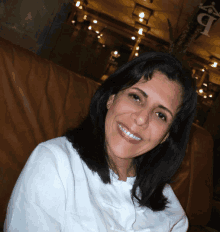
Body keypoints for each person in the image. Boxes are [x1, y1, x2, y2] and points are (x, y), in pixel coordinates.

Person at [4, 52, 197, 231]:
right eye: (136, 97)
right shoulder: (55, 162)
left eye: (160, 115)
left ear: (166, 135)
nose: (141, 119)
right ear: (111, 99)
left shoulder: (168, 204)